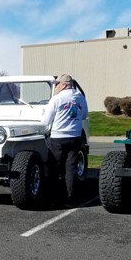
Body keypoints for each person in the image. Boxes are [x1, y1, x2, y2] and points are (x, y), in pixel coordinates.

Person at [42, 74, 88, 205]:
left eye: (57, 84)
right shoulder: (79, 97)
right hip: (75, 136)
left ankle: (54, 196)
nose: (56, 86)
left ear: (64, 85)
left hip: (58, 137)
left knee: (55, 167)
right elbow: (84, 115)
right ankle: (70, 197)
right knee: (70, 167)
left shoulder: (57, 99)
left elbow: (46, 120)